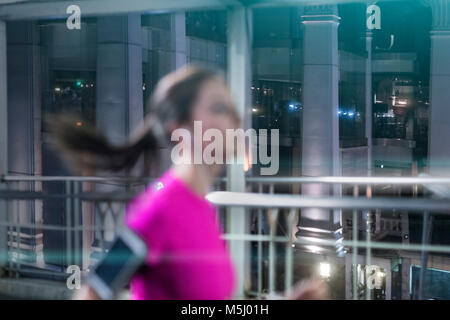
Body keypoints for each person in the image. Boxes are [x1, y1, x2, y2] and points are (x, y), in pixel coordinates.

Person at [53, 66, 328, 300]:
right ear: (179, 126)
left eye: (233, 108)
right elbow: (94, 291)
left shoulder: (200, 206)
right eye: (219, 108)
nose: (236, 119)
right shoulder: (160, 210)